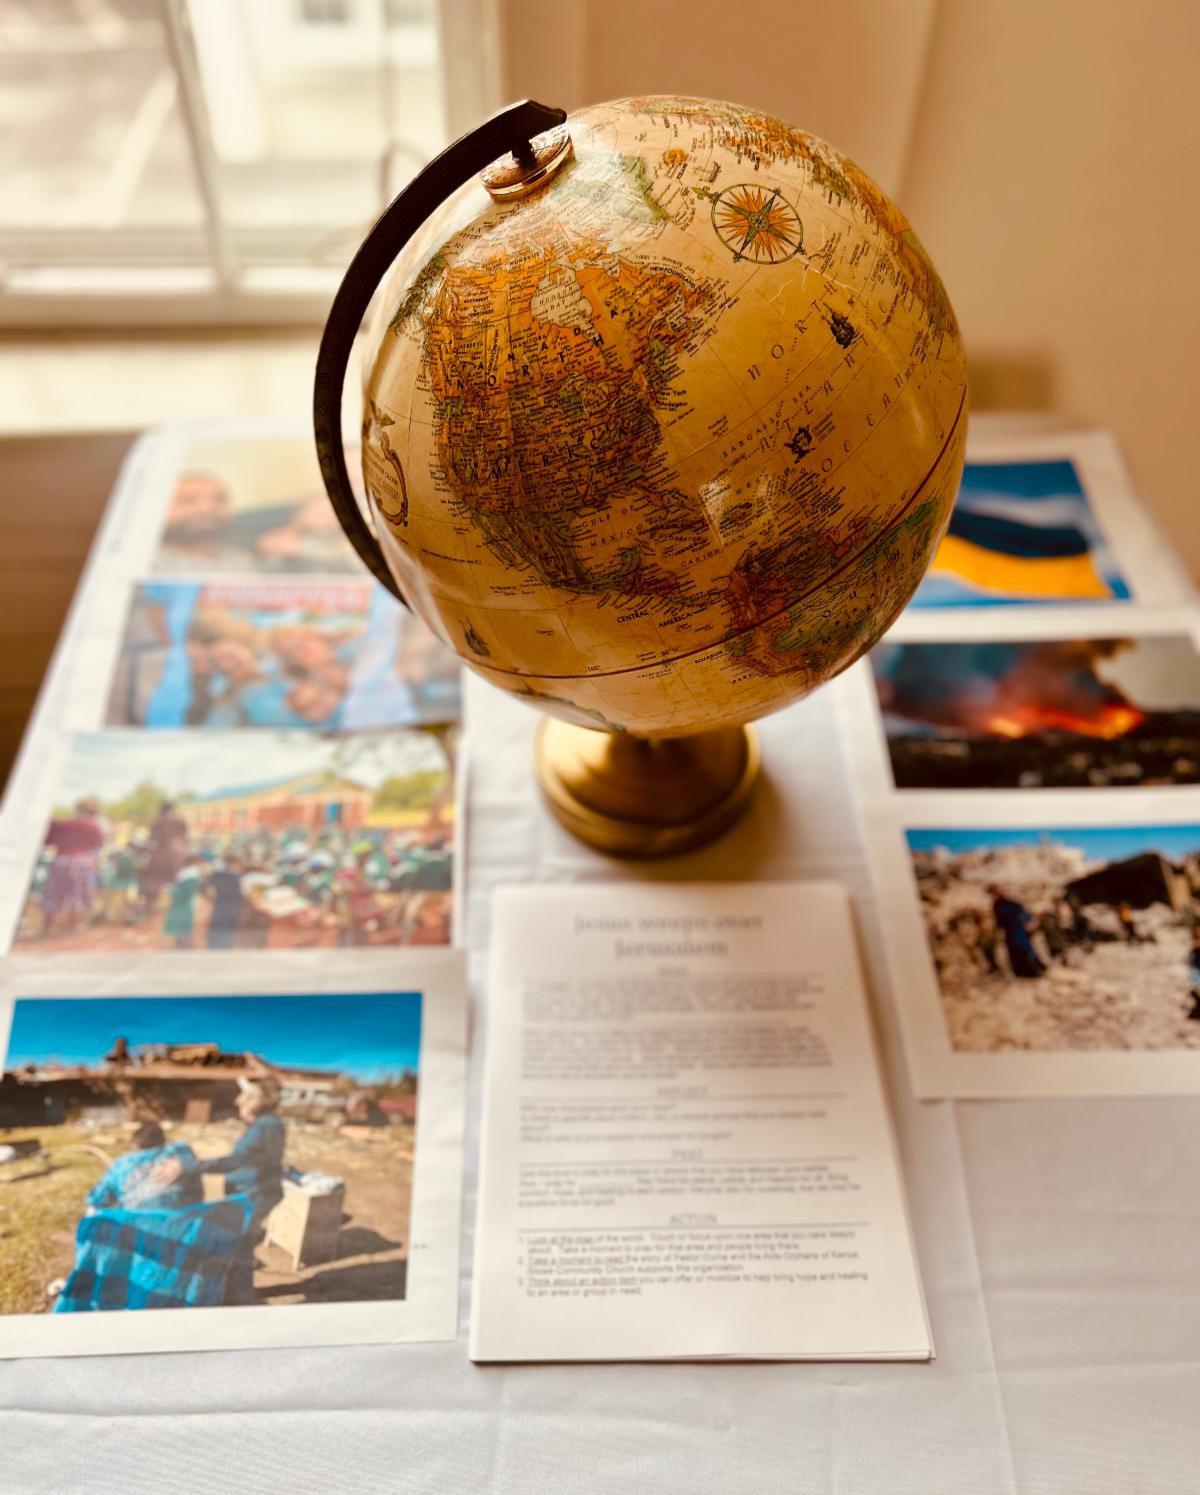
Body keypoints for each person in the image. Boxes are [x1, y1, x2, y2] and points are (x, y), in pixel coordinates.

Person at [154, 1078, 286, 1305]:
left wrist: (186, 1167)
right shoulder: (270, 1123)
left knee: (240, 1247)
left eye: (243, 1103)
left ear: (254, 1104)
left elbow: (235, 1161)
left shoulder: (263, 1127)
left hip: (255, 1192)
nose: (238, 1105)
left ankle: (241, 1298)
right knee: (241, 1244)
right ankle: (239, 1293)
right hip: (258, 1188)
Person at [86, 1121, 203, 1212]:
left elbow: (97, 1200)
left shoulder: (123, 1163)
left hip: (135, 1227)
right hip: (183, 1224)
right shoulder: (182, 1152)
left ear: (135, 1145)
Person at [40, 798, 106, 937]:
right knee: (77, 893)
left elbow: (47, 840)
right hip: (82, 862)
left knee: (55, 891)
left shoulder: (60, 825)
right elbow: (98, 843)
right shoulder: (92, 826)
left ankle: (48, 926)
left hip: (61, 861)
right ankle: (72, 925)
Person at [140, 801, 189, 914]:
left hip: (159, 855)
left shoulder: (157, 822)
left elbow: (152, 840)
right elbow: (185, 837)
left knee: (150, 876)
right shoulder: (178, 821)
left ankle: (152, 905)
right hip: (173, 855)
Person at [989, 885, 1046, 978]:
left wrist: (1030, 923)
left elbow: (1026, 913)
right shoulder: (997, 906)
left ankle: (1035, 970)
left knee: (1026, 949)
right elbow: (999, 921)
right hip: (1010, 931)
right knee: (1015, 951)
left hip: (1019, 929)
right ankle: (1022, 972)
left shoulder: (1012, 903)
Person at [204, 856, 245, 949]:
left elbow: (205, 886)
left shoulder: (216, 875)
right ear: (235, 864)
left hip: (219, 906)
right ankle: (225, 948)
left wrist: (210, 897)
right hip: (232, 907)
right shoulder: (237, 877)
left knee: (215, 931)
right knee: (228, 933)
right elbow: (241, 894)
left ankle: (213, 948)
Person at [163, 858, 203, 949]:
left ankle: (184, 945)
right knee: (182, 925)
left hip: (183, 903)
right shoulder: (190, 874)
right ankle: (183, 944)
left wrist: (171, 889)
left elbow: (185, 892)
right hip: (183, 903)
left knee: (183, 925)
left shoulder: (189, 875)